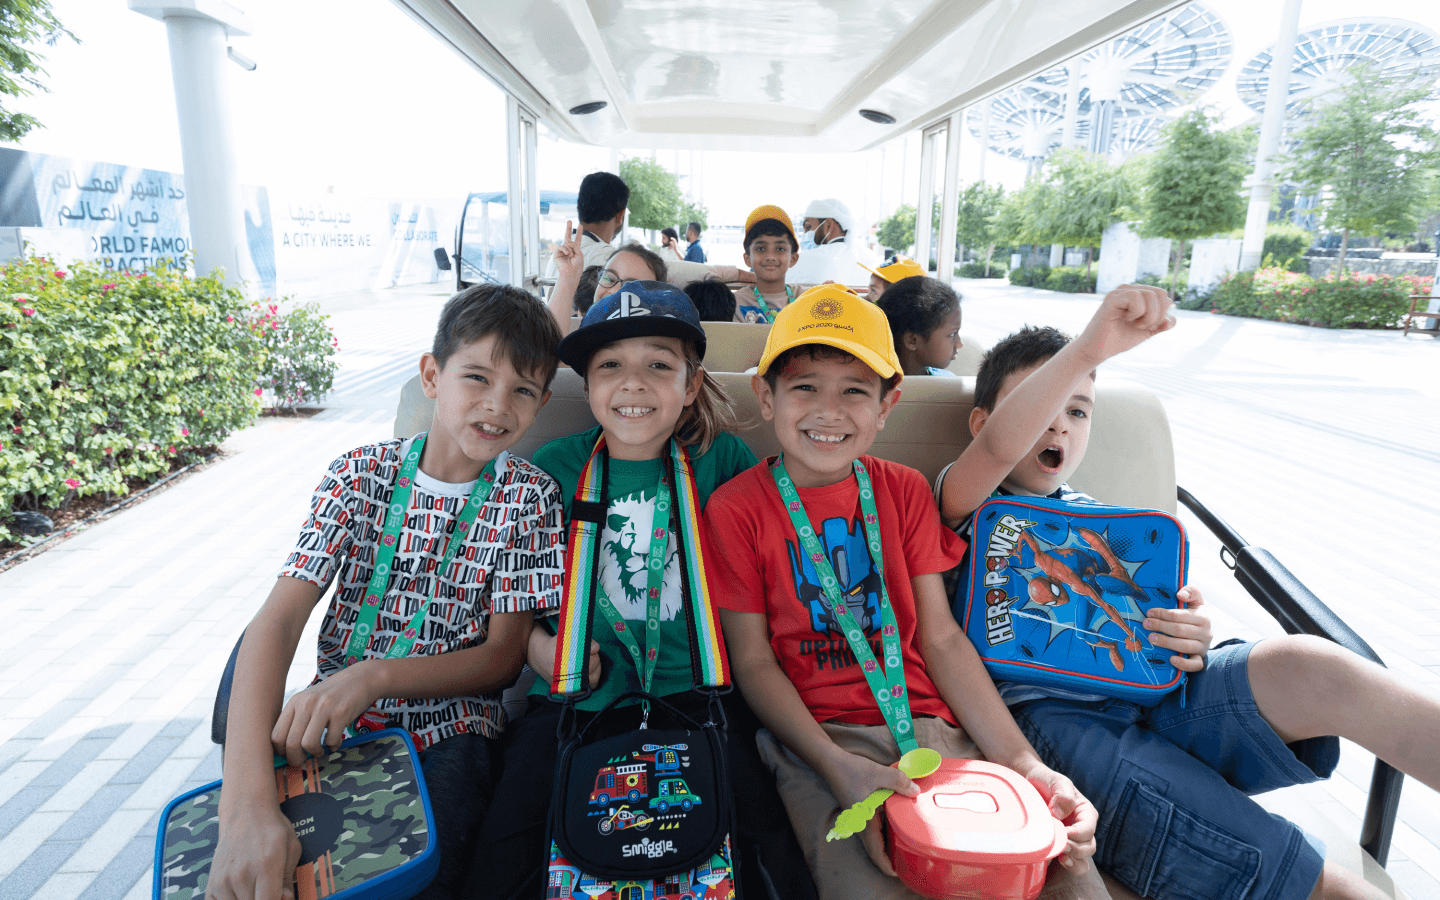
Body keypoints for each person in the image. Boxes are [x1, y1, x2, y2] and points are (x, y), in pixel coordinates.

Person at [935, 316, 1440, 900]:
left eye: (1078, 410)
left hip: (1153, 693)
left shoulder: (1103, 518)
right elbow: (996, 451)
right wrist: (1087, 351)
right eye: (1040, 402)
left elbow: (1150, 621)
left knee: (1313, 664)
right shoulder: (963, 502)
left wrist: (1186, 634)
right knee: (1289, 866)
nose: (1058, 423)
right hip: (1055, 723)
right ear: (983, 423)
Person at [704, 285, 1107, 900]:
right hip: (821, 740)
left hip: (935, 729)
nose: (829, 411)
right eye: (805, 387)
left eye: (854, 391)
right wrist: (832, 763)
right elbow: (753, 662)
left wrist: (1028, 766)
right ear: (766, 396)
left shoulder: (906, 491)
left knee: (1059, 872)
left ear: (887, 405)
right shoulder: (736, 509)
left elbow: (941, 639)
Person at [207, 285, 567, 900]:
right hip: (330, 722)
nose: (497, 405)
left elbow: (503, 658)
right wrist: (244, 807)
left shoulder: (530, 497)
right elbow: (277, 621)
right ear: (432, 376)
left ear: (541, 404)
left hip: (452, 729)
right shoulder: (358, 474)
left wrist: (373, 677)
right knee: (281, 871)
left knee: (411, 875)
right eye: (477, 378)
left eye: (523, 391)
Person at [465, 281, 816, 900]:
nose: (633, 384)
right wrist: (540, 650)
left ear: (690, 385)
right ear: (586, 386)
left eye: (658, 365)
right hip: (574, 704)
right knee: (499, 867)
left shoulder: (722, 461)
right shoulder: (554, 469)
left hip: (704, 700)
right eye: (610, 367)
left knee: (772, 863)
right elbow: (519, 602)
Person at [543, 173, 751, 287]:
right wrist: (739, 274)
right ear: (620, 215)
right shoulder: (604, 257)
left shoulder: (560, 256)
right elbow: (669, 271)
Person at [548, 232, 667, 335]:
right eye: (609, 279)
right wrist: (567, 275)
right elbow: (550, 343)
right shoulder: (577, 335)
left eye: (630, 286)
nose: (614, 290)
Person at [876, 275, 963, 377]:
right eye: (953, 334)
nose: (959, 344)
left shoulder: (950, 381)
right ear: (912, 340)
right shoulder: (948, 384)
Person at [735, 203, 802, 323]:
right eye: (761, 248)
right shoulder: (735, 302)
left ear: (793, 259)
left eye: (780, 249)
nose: (770, 257)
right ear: (747, 259)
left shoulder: (806, 298)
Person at [786, 198, 873, 286]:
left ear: (828, 225)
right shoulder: (867, 259)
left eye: (808, 227)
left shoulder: (800, 261)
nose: (805, 233)